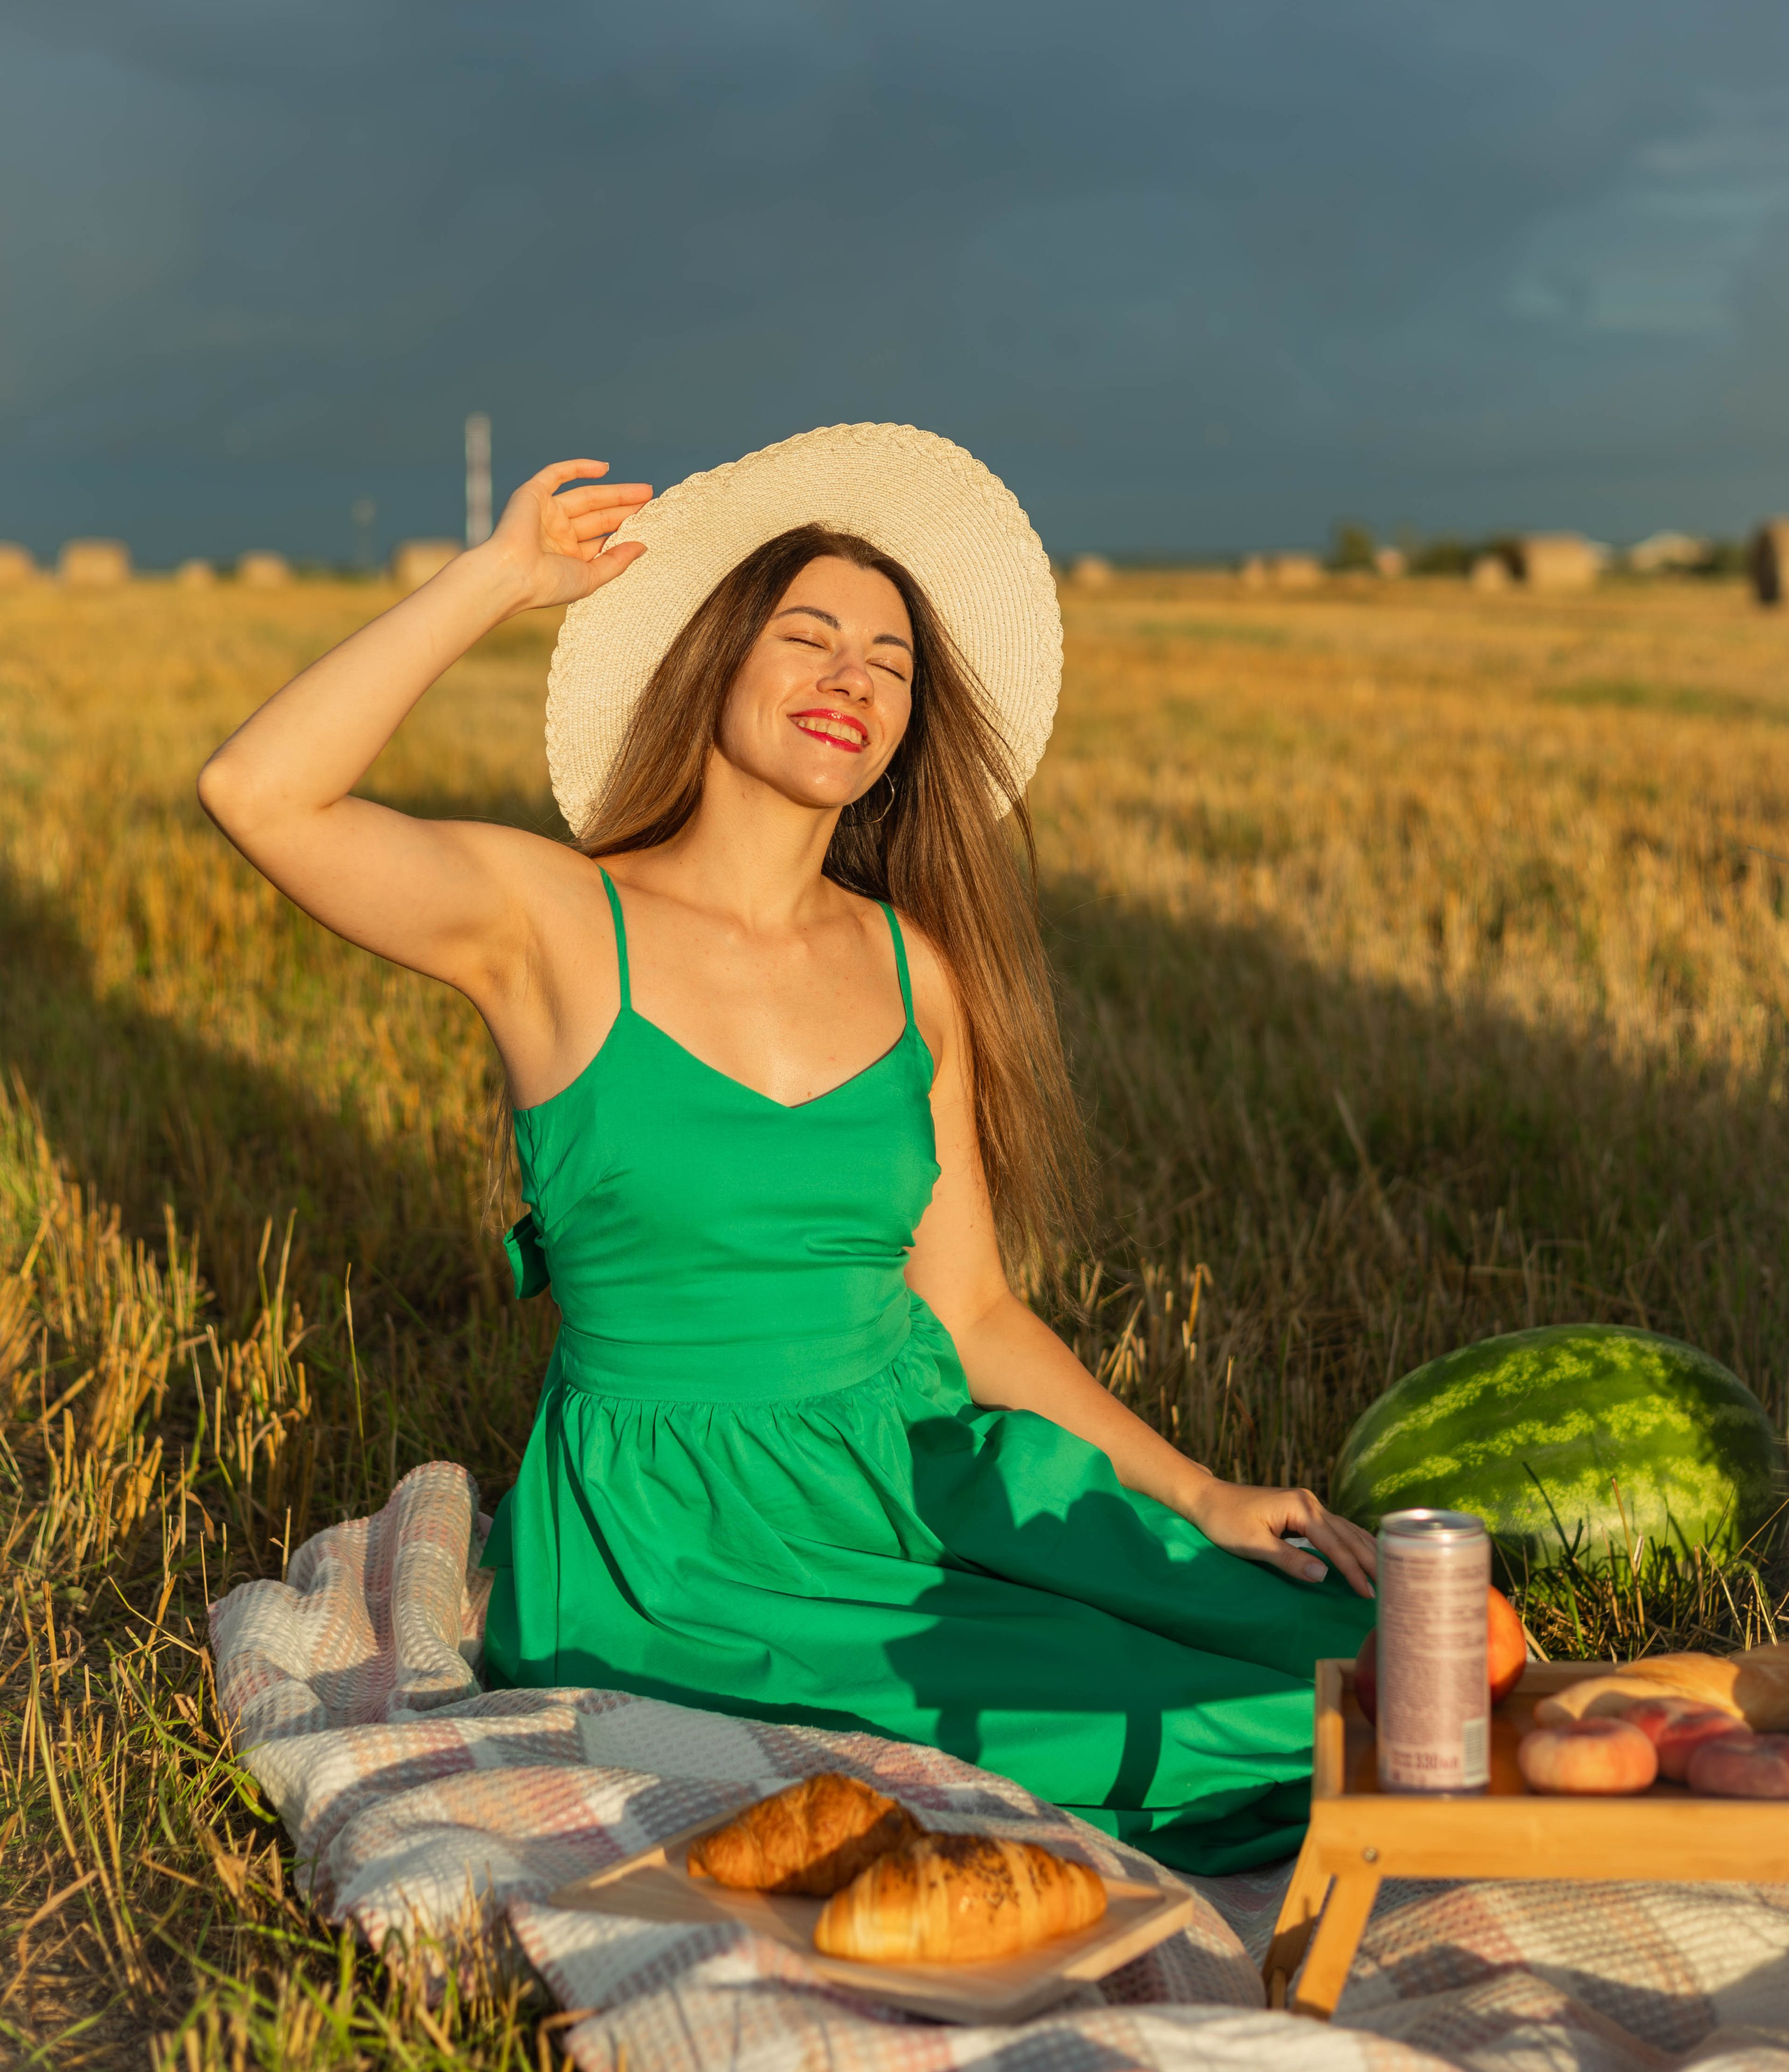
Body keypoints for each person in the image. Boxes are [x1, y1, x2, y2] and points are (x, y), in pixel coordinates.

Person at [199, 424, 1375, 1874]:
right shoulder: (555, 923)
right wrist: (499, 576)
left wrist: (1194, 1492)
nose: (852, 682)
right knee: (1231, 1728)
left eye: (889, 665)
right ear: (710, 664)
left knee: (1385, 1659)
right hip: (679, 1546)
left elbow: (974, 1311)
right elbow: (260, 793)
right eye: (808, 638)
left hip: (915, 1471)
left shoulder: (910, 967)